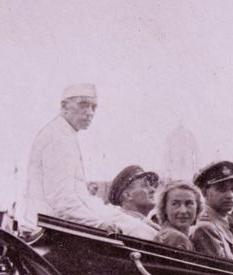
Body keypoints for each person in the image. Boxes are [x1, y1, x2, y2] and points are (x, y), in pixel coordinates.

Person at [22, 83, 157, 240]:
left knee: (144, 229)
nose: (90, 113)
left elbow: (81, 199)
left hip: (55, 226)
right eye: (83, 105)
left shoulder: (64, 134)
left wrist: (138, 221)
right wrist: (98, 224)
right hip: (48, 231)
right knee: (146, 235)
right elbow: (61, 201)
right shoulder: (57, 138)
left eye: (94, 107)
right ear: (64, 106)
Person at [191, 161, 233, 260]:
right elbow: (226, 273)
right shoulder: (206, 229)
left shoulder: (220, 221)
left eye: (232, 189)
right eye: (222, 189)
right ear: (204, 192)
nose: (230, 195)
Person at [108, 165, 160, 231]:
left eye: (151, 185)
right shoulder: (128, 226)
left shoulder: (144, 224)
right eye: (145, 185)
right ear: (128, 195)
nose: (153, 190)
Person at [154, 180, 201, 251]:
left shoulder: (167, 234)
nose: (183, 211)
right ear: (164, 208)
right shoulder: (176, 238)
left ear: (197, 207)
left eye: (189, 203)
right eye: (175, 204)